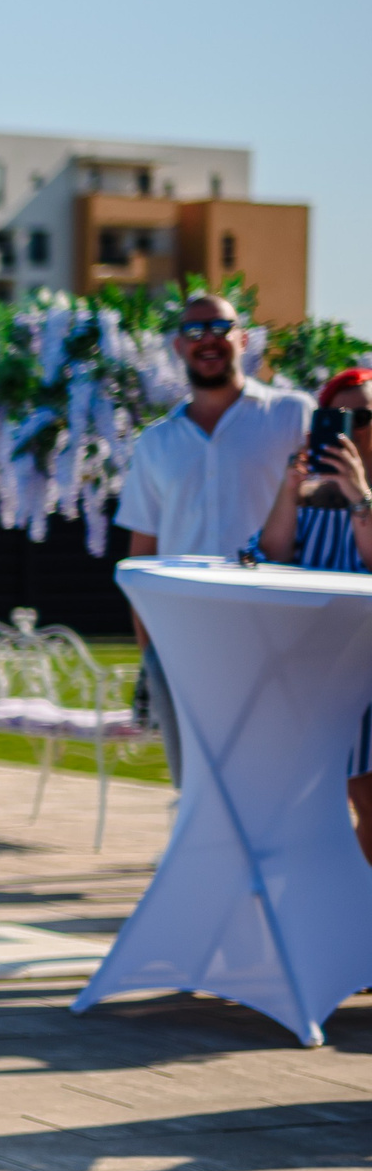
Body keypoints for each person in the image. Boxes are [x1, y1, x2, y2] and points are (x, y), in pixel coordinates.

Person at [112, 294, 311, 781]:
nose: (208, 340)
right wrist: (149, 655)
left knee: (278, 776)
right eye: (195, 331)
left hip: (277, 634)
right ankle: (203, 860)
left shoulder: (292, 416)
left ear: (243, 339)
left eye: (220, 327)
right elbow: (142, 558)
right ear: (178, 347)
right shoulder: (155, 443)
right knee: (196, 783)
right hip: (184, 639)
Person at [250, 366, 372, 862]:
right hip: (311, 673)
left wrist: (361, 497)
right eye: (338, 415)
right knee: (308, 805)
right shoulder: (309, 495)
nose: (353, 426)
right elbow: (271, 557)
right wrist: (288, 489)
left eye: (364, 415)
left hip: (367, 672)